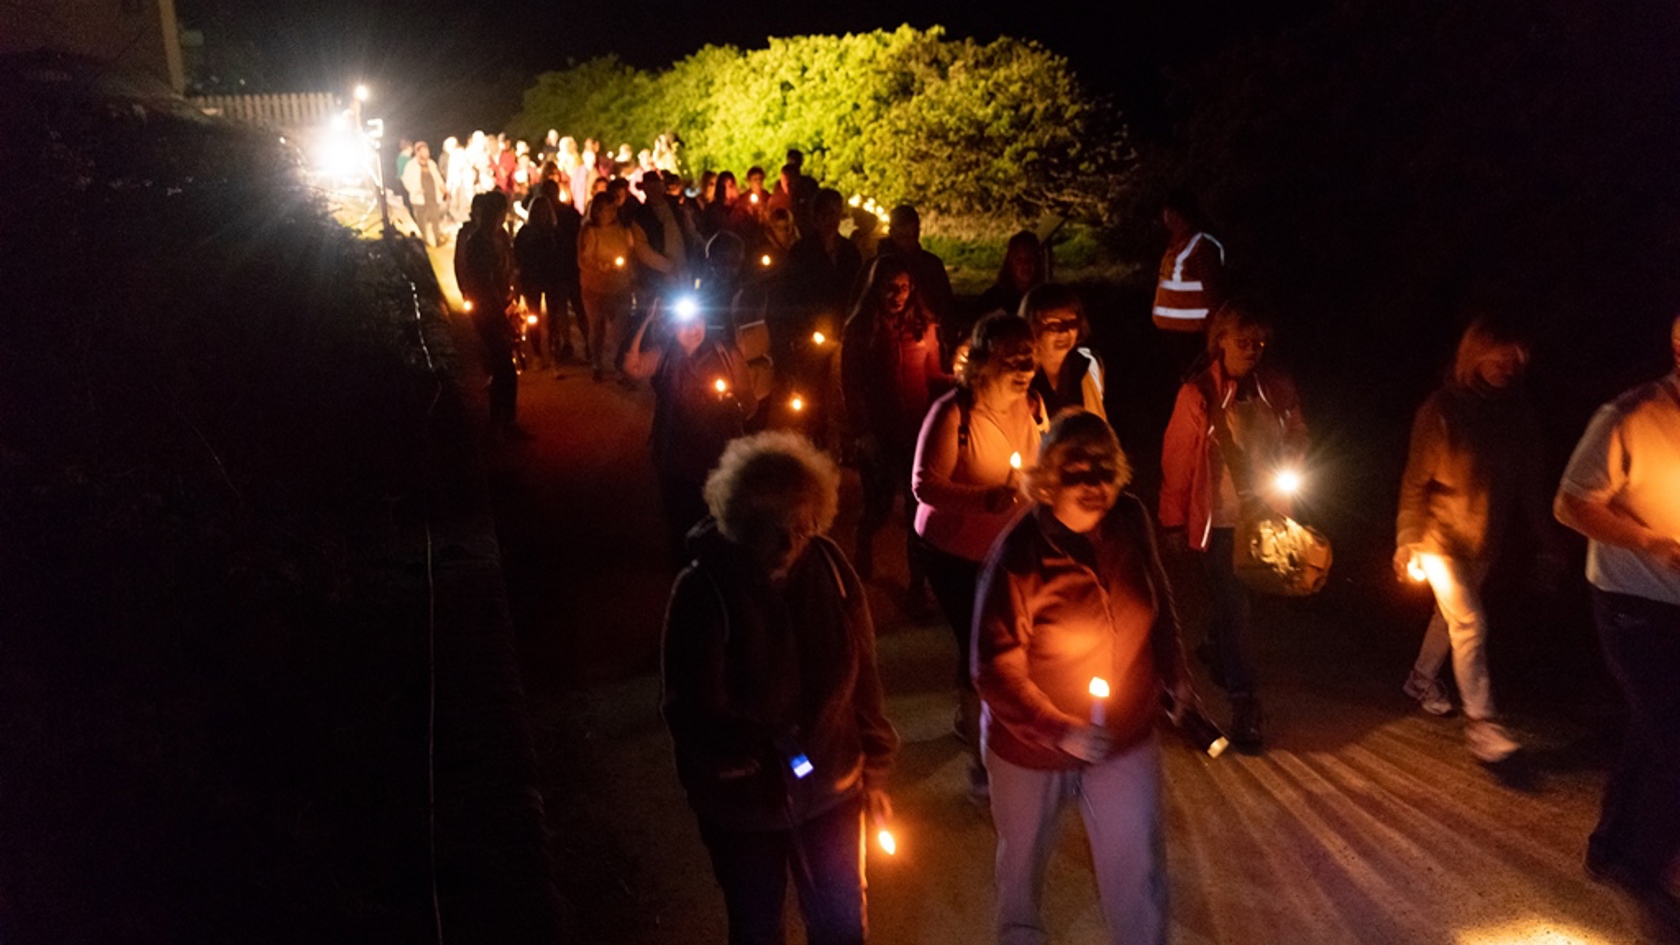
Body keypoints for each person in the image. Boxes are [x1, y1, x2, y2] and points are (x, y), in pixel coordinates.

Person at [661, 431, 898, 945]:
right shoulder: (703, 591)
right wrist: (739, 752)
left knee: (841, 924)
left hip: (833, 789)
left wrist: (874, 772)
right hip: (745, 809)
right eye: (769, 530)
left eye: (802, 528)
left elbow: (865, 683)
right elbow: (686, 709)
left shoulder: (833, 572)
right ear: (738, 523)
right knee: (756, 926)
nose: (788, 544)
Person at [975, 410, 1194, 945]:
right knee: (1022, 868)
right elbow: (993, 667)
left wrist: (1175, 671)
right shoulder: (1018, 554)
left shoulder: (1131, 519)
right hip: (1029, 748)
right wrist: (1060, 730)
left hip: (1124, 733)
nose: (1094, 483)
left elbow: (1157, 599)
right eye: (1076, 470)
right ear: (1047, 482)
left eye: (1103, 467)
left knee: (1136, 863)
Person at [1553, 312, 1680, 932]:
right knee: (1673, 735)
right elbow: (1571, 502)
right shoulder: (1628, 415)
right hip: (1630, 601)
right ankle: (1646, 873)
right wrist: (1652, 543)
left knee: (1653, 728)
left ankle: (1615, 850)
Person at [1394, 317, 1559, 762]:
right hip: (1438, 538)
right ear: (1475, 355)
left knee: (1447, 618)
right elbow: (1414, 482)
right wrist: (1406, 539)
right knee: (1470, 622)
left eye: (1516, 358)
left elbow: (1531, 488)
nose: (1508, 365)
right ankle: (1483, 724)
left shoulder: (1520, 417)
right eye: (1500, 355)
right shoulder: (1442, 410)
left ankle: (1419, 678)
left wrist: (1547, 544)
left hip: (1484, 538)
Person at [1158, 304, 1306, 750]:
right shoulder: (1197, 394)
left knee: (1243, 603)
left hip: (1265, 515)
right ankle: (1246, 703)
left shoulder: (1276, 388)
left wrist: (1293, 461)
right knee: (1238, 609)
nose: (1251, 349)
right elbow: (1177, 463)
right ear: (1220, 339)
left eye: (1259, 341)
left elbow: (1298, 434)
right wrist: (1171, 521)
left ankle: (1215, 644)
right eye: (1242, 339)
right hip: (1220, 522)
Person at [913, 312, 1046, 794]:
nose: (1024, 366)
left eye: (1028, 356)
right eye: (1012, 357)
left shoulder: (1030, 405)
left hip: (1007, 548)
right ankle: (981, 765)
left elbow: (1035, 464)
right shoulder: (953, 413)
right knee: (980, 652)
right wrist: (985, 500)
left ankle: (971, 718)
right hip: (952, 553)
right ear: (984, 360)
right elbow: (925, 485)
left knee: (998, 644)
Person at [841, 256, 950, 587]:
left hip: (917, 431)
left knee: (918, 508)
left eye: (904, 287)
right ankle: (863, 546)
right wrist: (863, 433)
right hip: (880, 431)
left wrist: (961, 380)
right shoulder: (862, 330)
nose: (898, 295)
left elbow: (933, 376)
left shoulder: (924, 327)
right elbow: (852, 385)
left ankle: (918, 584)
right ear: (876, 288)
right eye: (891, 287)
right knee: (880, 505)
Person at [625, 297, 757, 558]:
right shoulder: (663, 353)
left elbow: (749, 403)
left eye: (697, 321)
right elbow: (633, 367)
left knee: (716, 522)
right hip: (674, 458)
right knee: (680, 525)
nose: (692, 329)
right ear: (673, 328)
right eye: (683, 324)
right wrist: (646, 319)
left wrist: (732, 405)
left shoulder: (725, 352)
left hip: (716, 456)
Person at [454, 191, 525, 438]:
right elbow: (484, 284)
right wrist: (501, 314)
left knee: (506, 366)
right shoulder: (477, 243)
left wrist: (514, 295)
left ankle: (506, 421)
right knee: (503, 366)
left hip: (502, 307)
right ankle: (499, 423)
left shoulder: (500, 237)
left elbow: (509, 268)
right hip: (489, 312)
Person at [1151, 190, 1225, 381]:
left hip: (1194, 336)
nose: (1164, 217)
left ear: (1176, 213)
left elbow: (1212, 292)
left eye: (1167, 212)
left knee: (1195, 383)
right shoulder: (1177, 243)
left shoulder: (1201, 246)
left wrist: (1214, 334)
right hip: (1173, 334)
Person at [579, 193, 639, 383]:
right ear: (598, 211)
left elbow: (629, 253)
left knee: (621, 330)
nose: (613, 212)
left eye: (614, 208)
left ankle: (620, 365)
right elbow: (584, 258)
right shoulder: (591, 232)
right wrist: (600, 265)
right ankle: (597, 364)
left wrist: (629, 274)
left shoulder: (622, 230)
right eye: (608, 208)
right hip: (595, 288)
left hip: (620, 287)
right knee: (597, 328)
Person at [1023, 283, 1106, 420]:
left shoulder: (1087, 367)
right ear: (1032, 327)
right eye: (1054, 325)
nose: (1065, 331)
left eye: (1071, 323)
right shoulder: (1020, 373)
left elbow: (1098, 424)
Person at [877, 205, 955, 336]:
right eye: (903, 236)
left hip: (924, 335)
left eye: (913, 235)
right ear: (892, 233)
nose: (909, 241)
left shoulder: (931, 265)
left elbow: (946, 304)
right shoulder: (879, 267)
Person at [513, 194, 566, 368]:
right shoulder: (527, 233)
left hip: (549, 279)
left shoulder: (554, 232)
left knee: (551, 318)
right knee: (534, 317)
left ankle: (551, 352)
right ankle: (538, 353)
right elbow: (518, 257)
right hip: (535, 279)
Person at [971, 230, 1047, 343]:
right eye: (1019, 260)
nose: (1025, 265)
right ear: (1010, 263)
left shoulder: (1044, 298)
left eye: (1030, 259)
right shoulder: (994, 298)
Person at [400, 141, 448, 247]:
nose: (427, 153)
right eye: (424, 151)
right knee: (422, 222)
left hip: (433, 197)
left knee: (435, 219)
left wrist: (442, 186)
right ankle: (424, 242)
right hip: (419, 199)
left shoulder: (431, 163)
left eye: (427, 151)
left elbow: (437, 177)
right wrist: (416, 189)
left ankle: (437, 239)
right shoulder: (411, 165)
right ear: (418, 153)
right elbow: (406, 180)